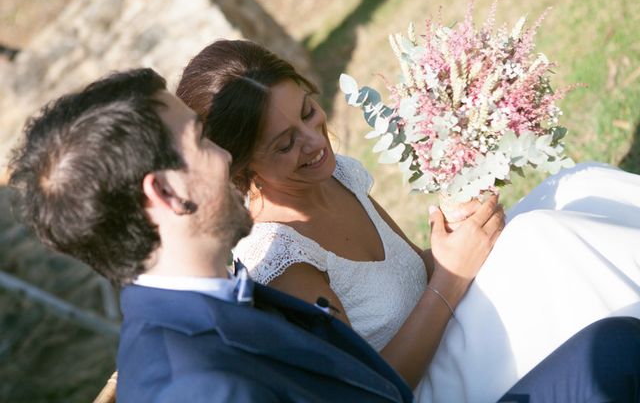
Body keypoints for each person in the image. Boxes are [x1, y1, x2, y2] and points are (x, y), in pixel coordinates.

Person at [8, 68, 640, 403]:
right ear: (167, 194)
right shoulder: (199, 386)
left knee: (605, 331)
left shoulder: (220, 296)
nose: (226, 159)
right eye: (201, 142)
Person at [176, 39, 640, 403]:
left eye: (308, 112)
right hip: (432, 385)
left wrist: (455, 234)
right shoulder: (280, 261)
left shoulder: (337, 173)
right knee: (544, 241)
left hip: (452, 320)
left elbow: (417, 269)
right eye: (284, 144)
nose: (314, 141)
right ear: (240, 168)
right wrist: (455, 274)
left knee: (578, 185)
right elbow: (371, 388)